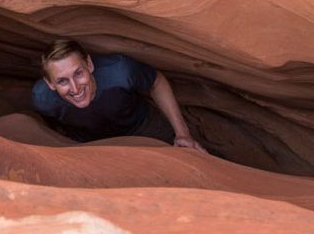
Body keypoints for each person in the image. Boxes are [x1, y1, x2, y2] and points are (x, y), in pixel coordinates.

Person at [32, 39, 206, 151]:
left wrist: (182, 133)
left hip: (141, 126)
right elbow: (50, 126)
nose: (75, 88)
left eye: (78, 73)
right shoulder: (42, 99)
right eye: (62, 81)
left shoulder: (120, 72)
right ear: (50, 84)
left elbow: (156, 81)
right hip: (90, 142)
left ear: (90, 64)